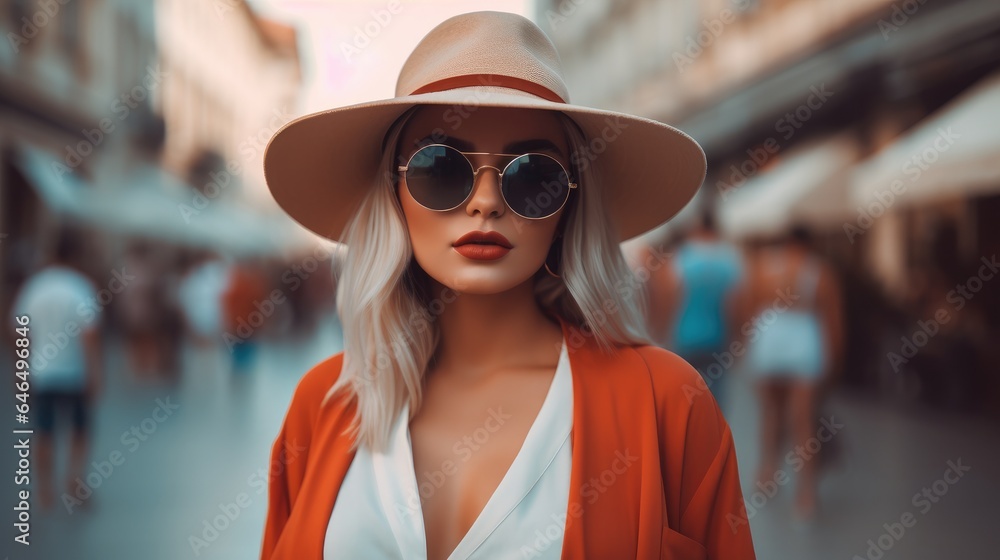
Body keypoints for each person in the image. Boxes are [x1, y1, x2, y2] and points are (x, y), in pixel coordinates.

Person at [259, 11, 756, 559]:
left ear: (569, 204)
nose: (486, 201)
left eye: (532, 173)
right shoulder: (323, 405)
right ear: (392, 194)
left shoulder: (667, 404)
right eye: (440, 167)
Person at [742, 226, 843, 522]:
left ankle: (766, 475)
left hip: (769, 336)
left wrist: (749, 349)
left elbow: (748, 310)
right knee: (803, 419)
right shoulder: (819, 271)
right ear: (808, 243)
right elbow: (834, 321)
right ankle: (806, 494)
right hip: (804, 338)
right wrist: (834, 362)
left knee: (771, 412)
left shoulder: (762, 268)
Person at [9, 228, 103, 510]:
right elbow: (89, 335)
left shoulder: (35, 286)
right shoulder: (80, 287)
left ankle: (45, 490)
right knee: (80, 429)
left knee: (44, 431)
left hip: (41, 371)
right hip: (74, 372)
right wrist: (95, 371)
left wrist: (21, 367)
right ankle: (73, 480)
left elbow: (18, 329)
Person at [653, 210, 746, 410]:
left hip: (684, 336)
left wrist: (661, 332)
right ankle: (715, 439)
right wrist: (738, 338)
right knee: (717, 401)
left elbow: (668, 298)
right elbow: (735, 306)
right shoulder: (730, 259)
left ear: (696, 228)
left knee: (685, 399)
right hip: (717, 338)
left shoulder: (682, 257)